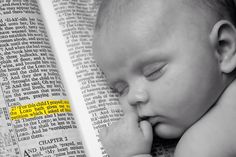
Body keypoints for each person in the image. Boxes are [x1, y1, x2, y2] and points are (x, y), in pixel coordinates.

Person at [92, 0, 236, 156]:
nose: (133, 98)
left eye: (153, 72)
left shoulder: (203, 145)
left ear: (222, 48)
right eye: (121, 89)